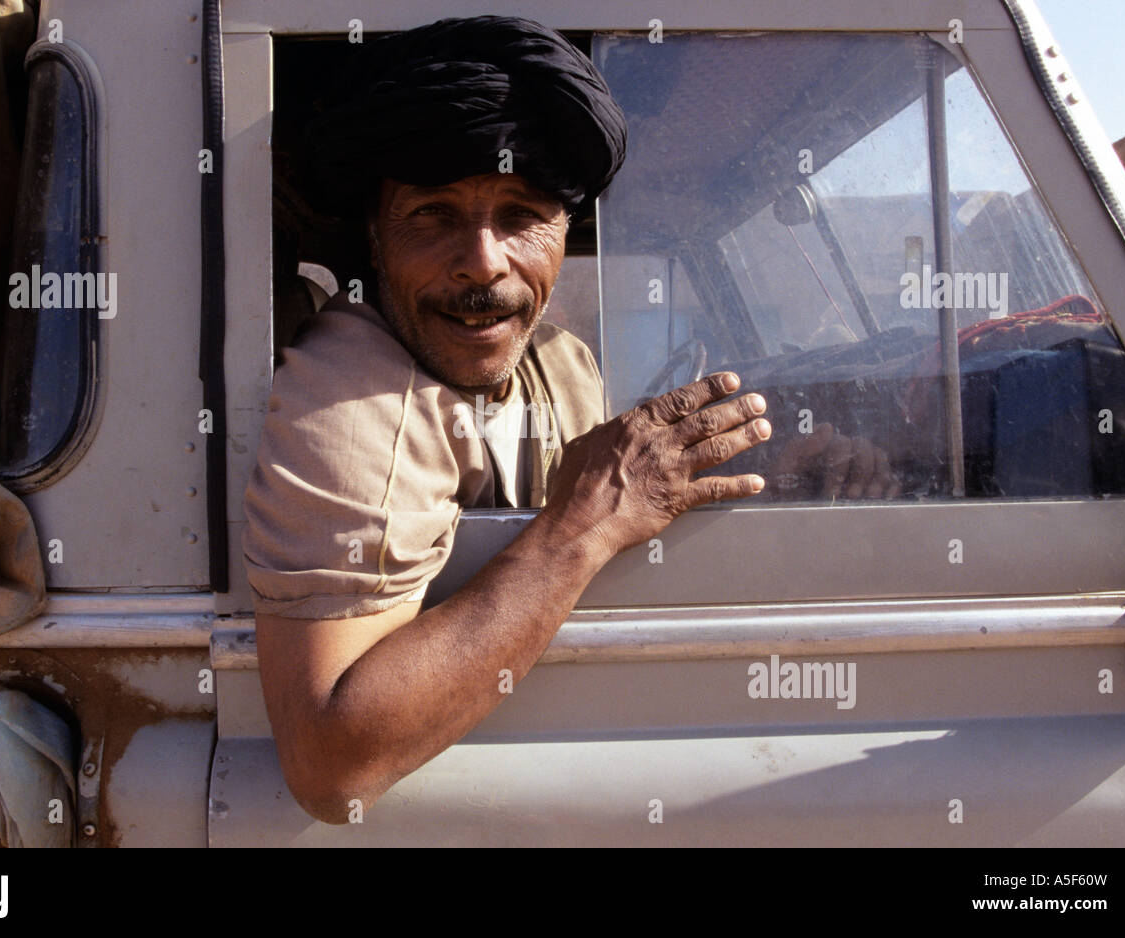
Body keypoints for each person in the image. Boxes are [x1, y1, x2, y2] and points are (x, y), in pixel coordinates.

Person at [242, 16, 776, 825]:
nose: (484, 262)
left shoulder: (558, 363)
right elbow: (329, 763)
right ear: (374, 236)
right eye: (434, 214)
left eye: (522, 214)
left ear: (567, 231)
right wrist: (583, 527)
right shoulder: (352, 398)